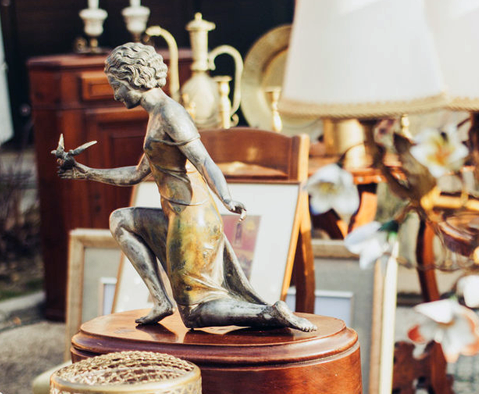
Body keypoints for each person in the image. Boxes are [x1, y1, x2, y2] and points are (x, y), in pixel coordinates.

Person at [56, 42, 315, 332]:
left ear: (135, 78)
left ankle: (268, 313)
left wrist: (227, 197)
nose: (116, 94)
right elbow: (137, 174)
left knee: (194, 313)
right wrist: (84, 172)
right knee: (121, 220)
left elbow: (204, 160)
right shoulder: (156, 116)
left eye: (117, 85)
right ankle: (161, 302)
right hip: (177, 216)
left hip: (193, 220)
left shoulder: (170, 114)